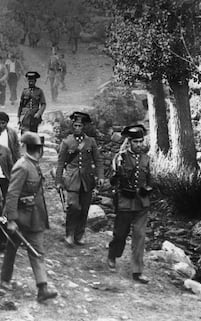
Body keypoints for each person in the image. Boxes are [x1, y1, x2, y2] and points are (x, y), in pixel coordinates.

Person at [0, 132, 58, 303]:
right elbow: (12, 193)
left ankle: (42, 288)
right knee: (11, 248)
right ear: (39, 150)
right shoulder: (22, 166)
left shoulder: (34, 164)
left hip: (34, 217)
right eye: (38, 149)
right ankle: (4, 279)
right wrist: (11, 219)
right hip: (19, 217)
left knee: (37, 250)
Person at [107, 125, 152, 284]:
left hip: (142, 203)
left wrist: (148, 189)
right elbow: (112, 181)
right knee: (120, 234)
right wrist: (117, 170)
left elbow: (149, 179)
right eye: (136, 142)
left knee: (139, 236)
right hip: (125, 201)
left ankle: (137, 271)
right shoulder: (120, 157)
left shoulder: (146, 159)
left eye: (141, 141)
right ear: (129, 142)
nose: (139, 145)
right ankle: (113, 255)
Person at [55, 112, 104, 246]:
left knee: (84, 209)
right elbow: (60, 163)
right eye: (75, 125)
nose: (77, 128)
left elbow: (98, 160)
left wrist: (100, 176)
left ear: (84, 127)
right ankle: (69, 234)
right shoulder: (66, 142)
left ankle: (79, 235)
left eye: (80, 126)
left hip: (87, 180)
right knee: (74, 206)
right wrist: (58, 181)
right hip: (72, 180)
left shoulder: (91, 141)